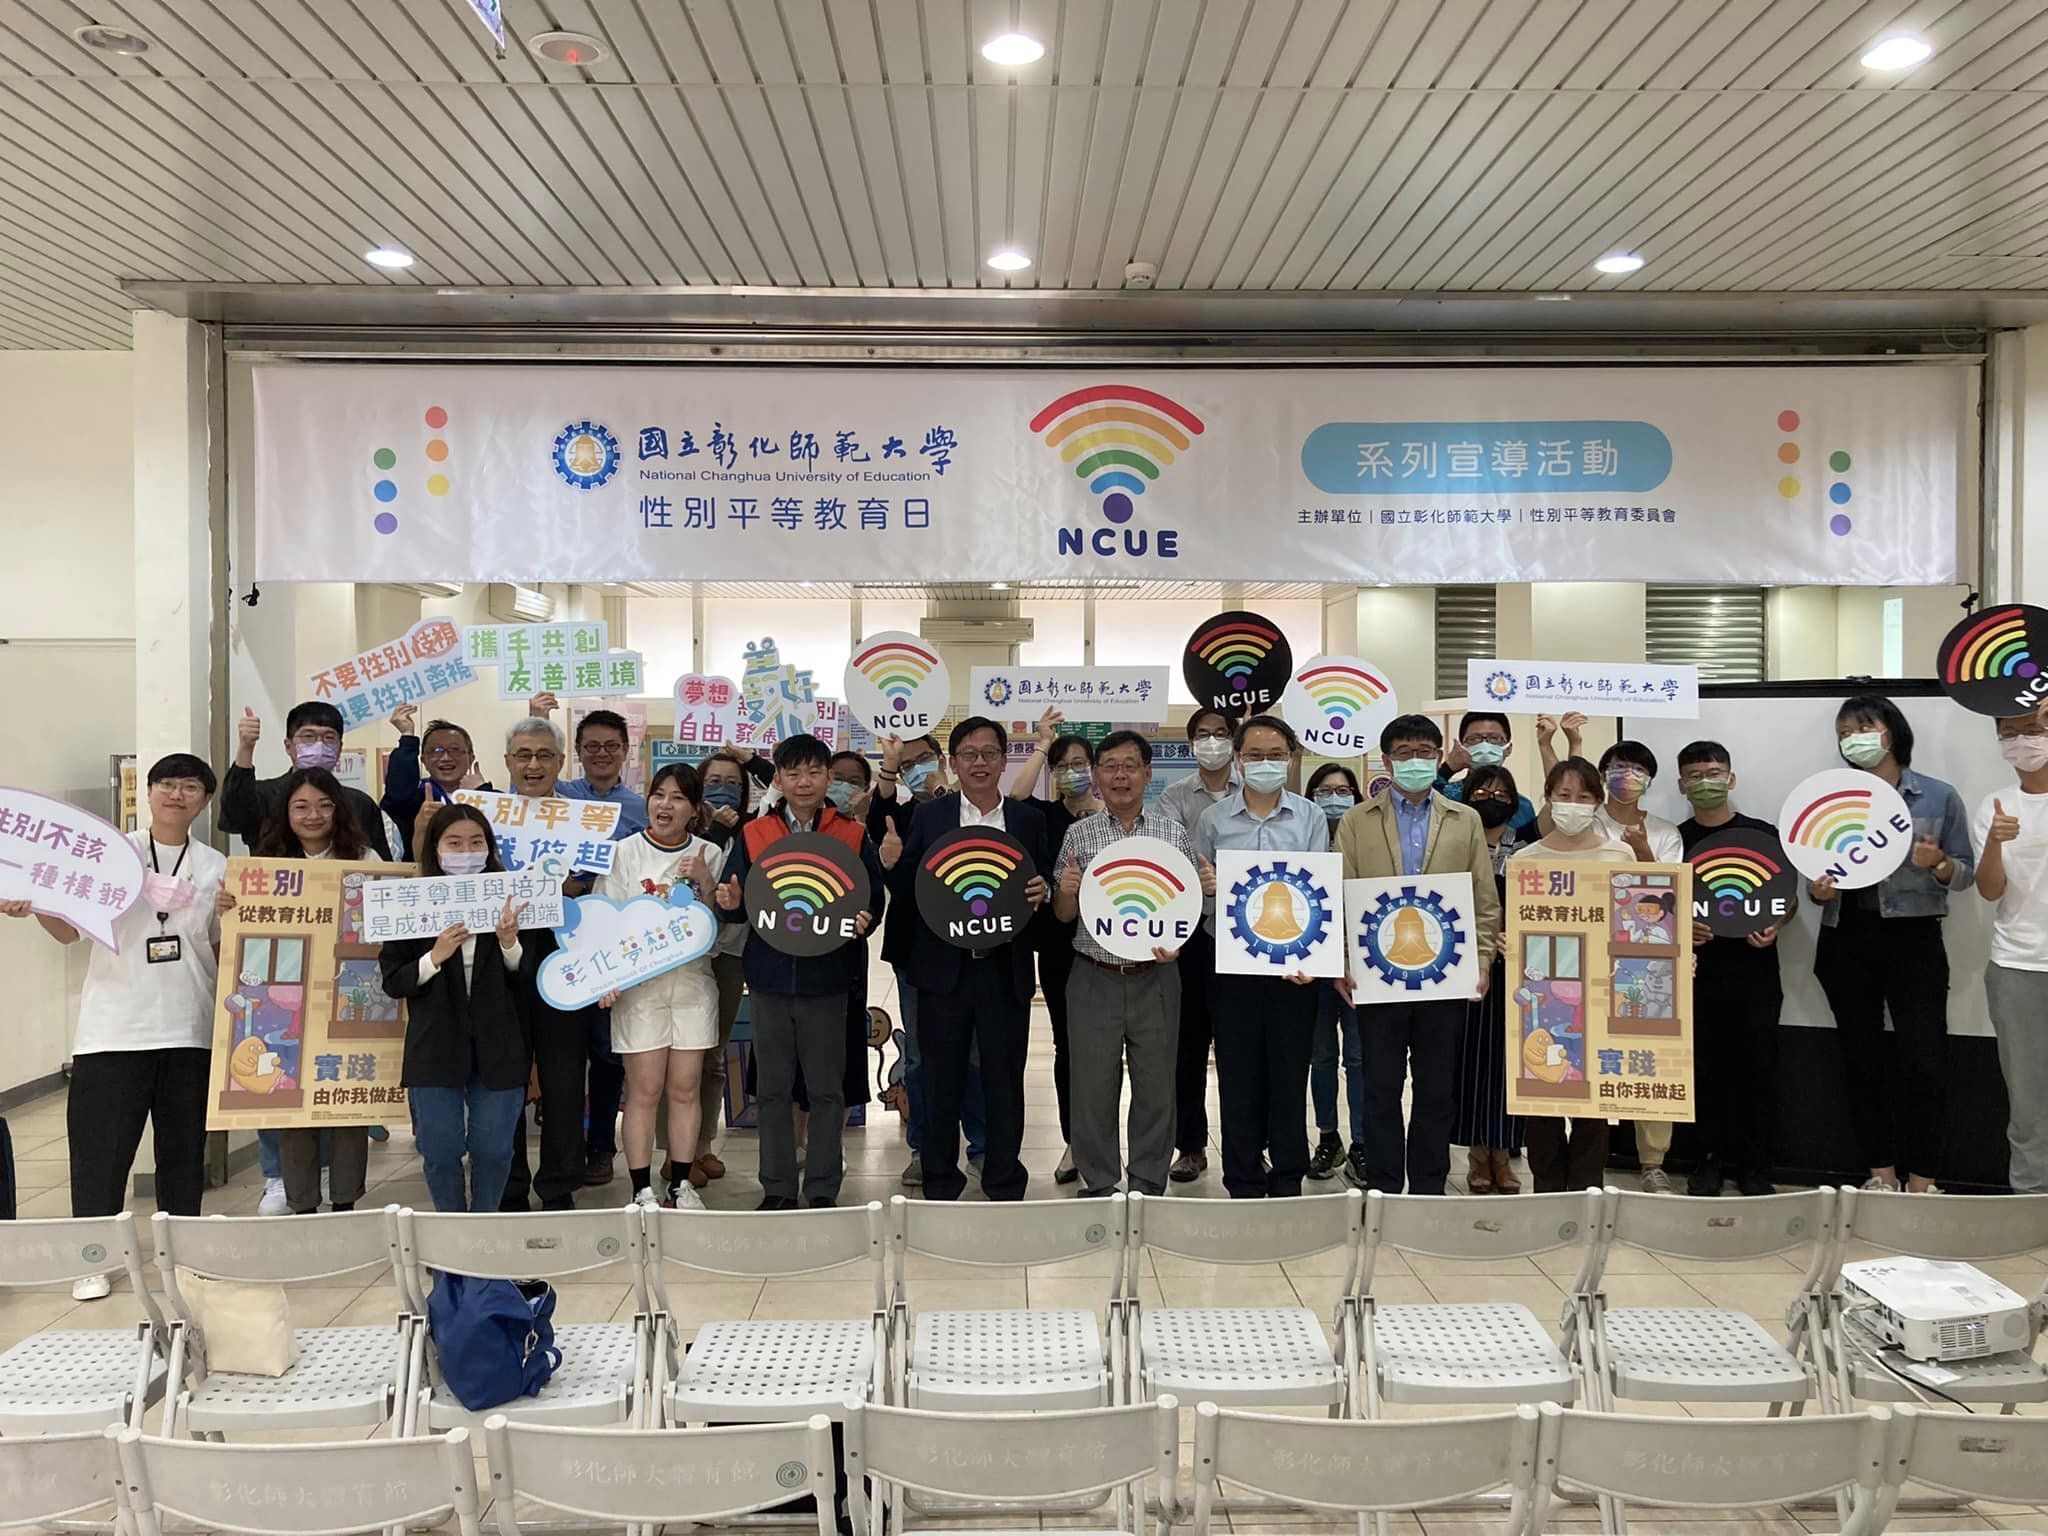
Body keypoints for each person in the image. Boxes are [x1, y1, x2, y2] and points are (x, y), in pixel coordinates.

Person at [1, 754, 225, 1299]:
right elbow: (68, 934)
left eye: (190, 787)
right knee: (101, 1157)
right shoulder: (107, 854)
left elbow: (220, 948)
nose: (177, 795)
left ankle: (183, 1257)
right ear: (147, 793)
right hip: (112, 1031)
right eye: (167, 785)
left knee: (181, 1156)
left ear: (205, 799)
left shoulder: (216, 865)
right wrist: (35, 910)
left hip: (189, 1030)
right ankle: (94, 1259)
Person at [713, 733, 886, 1209]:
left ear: (829, 776)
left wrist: (867, 920)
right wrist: (727, 903)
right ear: (780, 779)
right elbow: (736, 902)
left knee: (827, 1090)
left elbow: (872, 897)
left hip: (828, 980)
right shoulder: (754, 832)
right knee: (772, 1090)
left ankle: (824, 1187)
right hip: (768, 979)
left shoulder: (850, 832)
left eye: (814, 771)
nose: (804, 782)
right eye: (793, 773)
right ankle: (777, 1189)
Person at [881, 718, 1050, 1201]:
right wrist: (892, 866)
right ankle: (939, 1178)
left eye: (989, 753)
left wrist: (1044, 890)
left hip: (1004, 969)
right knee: (939, 1079)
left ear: (1003, 760)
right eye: (969, 754)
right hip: (942, 970)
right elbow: (910, 893)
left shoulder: (1026, 820)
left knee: (1003, 1078)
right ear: (952, 763)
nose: (979, 762)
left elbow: (1039, 896)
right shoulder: (931, 818)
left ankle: (1003, 1178)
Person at [1811, 694, 1972, 1195]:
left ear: (1891, 732)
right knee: (1862, 1062)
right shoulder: (1830, 798)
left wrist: (1939, 865)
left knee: (1925, 1062)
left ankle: (1923, 1181)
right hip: (1847, 939)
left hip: (1914, 939)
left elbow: (1963, 872)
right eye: (1843, 732)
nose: (1851, 738)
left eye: (1862, 726)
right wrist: (1818, 891)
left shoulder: (1937, 796)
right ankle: (1879, 1175)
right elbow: (1814, 874)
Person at [1334, 714, 1501, 1196]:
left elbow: (1483, 901)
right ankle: (1383, 1184)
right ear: (1387, 760)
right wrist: (1344, 960)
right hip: (1376, 975)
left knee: (1436, 1090)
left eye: (1425, 752)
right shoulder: (1355, 821)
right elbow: (1342, 895)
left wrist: (1483, 961)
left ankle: (1429, 1184)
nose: (1415, 761)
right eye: (1404, 752)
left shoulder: (1464, 818)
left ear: (1440, 757)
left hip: (1444, 976)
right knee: (1380, 1088)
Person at [1051, 731, 1212, 1198]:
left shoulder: (1171, 833)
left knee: (1157, 1085)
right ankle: (1099, 1181)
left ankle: (1146, 1182)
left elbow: (1186, 907)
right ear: (1098, 775)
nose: (1120, 775)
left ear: (1147, 773)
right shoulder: (1078, 834)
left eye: (1130, 765)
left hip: (1157, 977)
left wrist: (1192, 910)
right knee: (1092, 1087)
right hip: (1093, 976)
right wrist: (1066, 890)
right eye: (1110, 766)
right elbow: (1064, 916)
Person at [1190, 715, 1326, 1199]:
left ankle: (1288, 1174)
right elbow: (1201, 892)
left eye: (1274, 756)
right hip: (1230, 966)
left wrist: (1312, 955)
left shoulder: (1310, 817)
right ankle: (1243, 1177)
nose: (1264, 764)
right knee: (1237, 1071)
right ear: (1238, 758)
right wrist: (1205, 889)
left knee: (1290, 1071)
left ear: (1290, 758)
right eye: (1253, 755)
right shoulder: (1213, 820)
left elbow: (1316, 893)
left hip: (1294, 968)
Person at [379, 804, 533, 1213]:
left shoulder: (510, 897)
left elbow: (528, 975)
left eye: (476, 842)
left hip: (498, 1042)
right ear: (436, 848)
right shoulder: (410, 900)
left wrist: (507, 943)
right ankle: (448, 1233)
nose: (466, 851)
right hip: (435, 1044)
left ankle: (482, 1229)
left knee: (495, 1149)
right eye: (455, 843)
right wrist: (435, 956)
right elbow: (394, 980)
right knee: (441, 1149)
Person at [593, 763, 721, 1211]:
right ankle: (641, 1189)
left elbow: (716, 927)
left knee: (685, 1087)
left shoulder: (709, 852)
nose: (666, 805)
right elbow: (603, 921)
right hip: (638, 988)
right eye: (659, 795)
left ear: (694, 809)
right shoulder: (624, 853)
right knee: (643, 1089)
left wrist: (704, 881)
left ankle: (681, 1183)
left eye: (678, 798)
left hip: (691, 985)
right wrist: (606, 978)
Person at [252, 768, 377, 1216]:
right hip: (283, 1002)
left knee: (346, 1102)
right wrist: (229, 905)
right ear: (285, 813)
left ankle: (345, 1201)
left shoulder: (362, 856)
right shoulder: (266, 864)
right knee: (292, 1106)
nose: (313, 815)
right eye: (301, 806)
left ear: (338, 809)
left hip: (348, 992)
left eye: (324, 805)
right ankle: (301, 1202)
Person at [870, 734, 986, 1188]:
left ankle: (981, 1144)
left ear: (943, 760)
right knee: (920, 1054)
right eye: (907, 766)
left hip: (973, 947)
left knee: (976, 1052)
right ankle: (924, 1148)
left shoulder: (971, 807)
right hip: (918, 952)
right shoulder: (900, 812)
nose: (917, 769)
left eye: (924, 760)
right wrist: (887, 769)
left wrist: (943, 791)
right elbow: (880, 825)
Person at [1513, 757, 1634, 1193]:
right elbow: (1518, 927)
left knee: (1593, 1100)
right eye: (1564, 796)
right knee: (1540, 1095)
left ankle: (1587, 1190)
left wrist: (1668, 959)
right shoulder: (1526, 859)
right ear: (1548, 799)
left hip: (1600, 994)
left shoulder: (1619, 854)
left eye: (1584, 797)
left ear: (1598, 803)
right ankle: (1546, 1189)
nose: (1573, 805)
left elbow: (1634, 927)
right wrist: (1511, 946)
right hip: (1542, 999)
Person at [1676, 741, 1789, 1197]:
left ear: (1731, 778)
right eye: (1696, 775)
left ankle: (1755, 1166)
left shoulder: (1763, 834)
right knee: (1705, 1071)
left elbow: (1788, 897)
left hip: (1756, 971)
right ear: (1682, 785)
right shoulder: (1676, 840)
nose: (1707, 782)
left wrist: (1777, 923)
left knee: (1757, 1071)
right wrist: (1682, 927)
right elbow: (1652, 905)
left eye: (1715, 772)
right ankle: (1707, 1161)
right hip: (1697, 975)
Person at [496, 716, 597, 1213]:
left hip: (565, 951)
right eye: (523, 755)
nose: (532, 764)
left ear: (561, 762)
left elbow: (599, 885)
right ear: (508, 762)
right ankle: (509, 1183)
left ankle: (559, 1183)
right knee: (506, 1074)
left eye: (543, 755)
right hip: (500, 954)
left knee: (562, 1073)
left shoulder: (585, 820)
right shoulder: (486, 817)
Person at [1010, 710, 1104, 1184]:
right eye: (1064, 765)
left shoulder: (1112, 820)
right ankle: (1073, 1143)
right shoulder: (1042, 816)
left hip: (1113, 945)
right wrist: (1043, 744)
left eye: (1081, 763)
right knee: (1068, 1045)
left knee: (1105, 1049)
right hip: (1058, 945)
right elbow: (1014, 795)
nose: (1073, 771)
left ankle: (1103, 1142)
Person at [1592, 740, 1686, 1194]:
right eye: (1615, 767)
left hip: (1646, 960)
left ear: (1649, 778)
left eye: (1634, 769)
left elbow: (1669, 897)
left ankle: (1652, 1161)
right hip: (1591, 953)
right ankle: (1589, 1152)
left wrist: (1644, 851)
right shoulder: (1588, 821)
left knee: (1651, 1059)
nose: (1624, 775)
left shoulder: (1667, 832)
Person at [1155, 707, 1242, 1184]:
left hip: (1248, 937)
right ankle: (1190, 1145)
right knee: (1186, 1047)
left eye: (1221, 734)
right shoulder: (1173, 797)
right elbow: (1170, 858)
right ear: (1191, 745)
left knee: (1240, 1047)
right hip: (1190, 937)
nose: (1213, 741)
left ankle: (1248, 1145)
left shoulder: (1257, 791)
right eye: (1204, 735)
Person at [1974, 705, 2048, 1193]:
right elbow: (1989, 890)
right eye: (2009, 734)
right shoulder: (1995, 806)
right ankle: (2031, 1204)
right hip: (2017, 966)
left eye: (2034, 730)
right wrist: (1996, 844)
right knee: (2027, 1103)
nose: (2021, 741)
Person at [1454, 764, 1529, 1195]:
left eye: (1501, 791)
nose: (1491, 797)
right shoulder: (1459, 846)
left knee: (1510, 1061)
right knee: (1470, 1060)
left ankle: (1504, 1152)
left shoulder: (1529, 848)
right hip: (1466, 964)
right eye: (1481, 790)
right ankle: (1477, 1155)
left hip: (1520, 966)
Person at [689, 749, 754, 1190]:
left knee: (713, 1055)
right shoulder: (684, 830)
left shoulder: (752, 833)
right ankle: (675, 1150)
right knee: (682, 1058)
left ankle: (702, 1145)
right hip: (685, 958)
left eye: (733, 782)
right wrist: (713, 830)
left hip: (730, 954)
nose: (723, 788)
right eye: (714, 780)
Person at [220, 701, 397, 859]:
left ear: (339, 747)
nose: (319, 744)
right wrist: (246, 746)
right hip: (276, 890)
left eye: (328, 738)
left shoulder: (359, 803)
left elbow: (381, 870)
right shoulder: (265, 794)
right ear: (288, 745)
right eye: (308, 737)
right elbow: (234, 815)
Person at [1304, 764, 1367, 1184]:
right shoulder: (1300, 837)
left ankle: (1362, 1142)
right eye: (1324, 791)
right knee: (1321, 1057)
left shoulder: (1368, 837)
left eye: (1343, 790)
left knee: (1360, 1058)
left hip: (1363, 963)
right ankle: (1329, 1136)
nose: (1334, 797)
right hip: (1311, 965)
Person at [381, 706, 491, 859]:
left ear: (471, 758)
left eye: (455, 749)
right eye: (436, 750)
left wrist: (484, 794)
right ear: (423, 760)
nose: (446, 757)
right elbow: (397, 795)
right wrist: (407, 736)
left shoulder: (490, 797)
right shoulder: (416, 799)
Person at [537, 699, 651, 837]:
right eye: (593, 746)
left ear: (625, 750)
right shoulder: (556, 794)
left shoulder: (642, 809)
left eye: (611, 746)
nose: (602, 753)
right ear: (578, 751)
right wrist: (538, 720)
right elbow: (524, 788)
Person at [1438, 713, 1540, 838]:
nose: (1485, 745)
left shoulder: (1522, 806)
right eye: (1474, 739)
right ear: (1462, 747)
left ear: (1508, 748)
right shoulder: (1446, 796)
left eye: (1494, 738)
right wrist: (1447, 768)